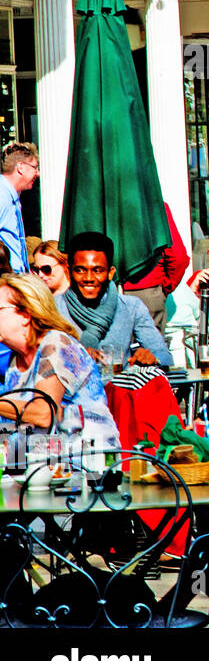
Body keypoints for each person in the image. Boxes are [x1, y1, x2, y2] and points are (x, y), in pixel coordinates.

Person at [0, 274, 119, 448]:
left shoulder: (56, 345)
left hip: (87, 463)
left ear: (26, 314)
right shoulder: (15, 361)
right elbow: (12, 429)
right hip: (41, 464)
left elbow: (43, 413)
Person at [55, 232, 173, 369]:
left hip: (121, 387)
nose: (88, 278)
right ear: (69, 272)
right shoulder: (52, 308)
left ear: (110, 273)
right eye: (80, 270)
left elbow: (165, 357)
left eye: (97, 271)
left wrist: (153, 358)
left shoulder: (131, 307)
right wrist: (75, 357)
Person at [122, 203, 189, 334]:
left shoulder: (103, 203)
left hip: (108, 291)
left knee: (111, 352)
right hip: (148, 293)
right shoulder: (155, 205)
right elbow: (178, 257)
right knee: (151, 350)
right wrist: (165, 288)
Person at [0, 142, 38, 272]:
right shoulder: (2, 196)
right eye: (35, 167)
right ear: (21, 167)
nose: (37, 173)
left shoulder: (11, 197)